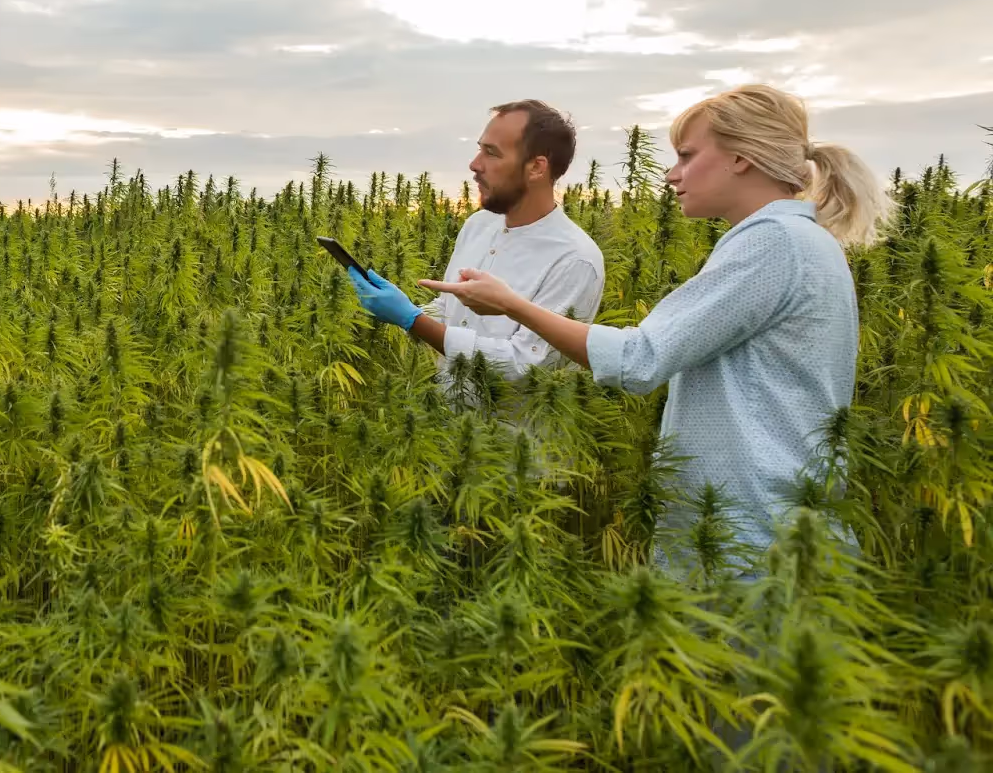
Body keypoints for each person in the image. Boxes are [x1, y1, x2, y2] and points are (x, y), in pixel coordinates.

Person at [419, 84, 891, 554]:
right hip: (758, 518)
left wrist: (513, 305)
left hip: (750, 527)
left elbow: (639, 360)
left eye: (687, 155)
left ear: (741, 158)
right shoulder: (796, 239)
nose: (671, 174)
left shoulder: (774, 243)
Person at [350, 100, 605, 390]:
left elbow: (526, 366)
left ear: (536, 167)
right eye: (480, 148)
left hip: (514, 432)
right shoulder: (479, 225)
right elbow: (453, 315)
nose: (474, 164)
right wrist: (406, 309)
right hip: (447, 424)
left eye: (491, 153)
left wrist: (414, 321)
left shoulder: (575, 259)